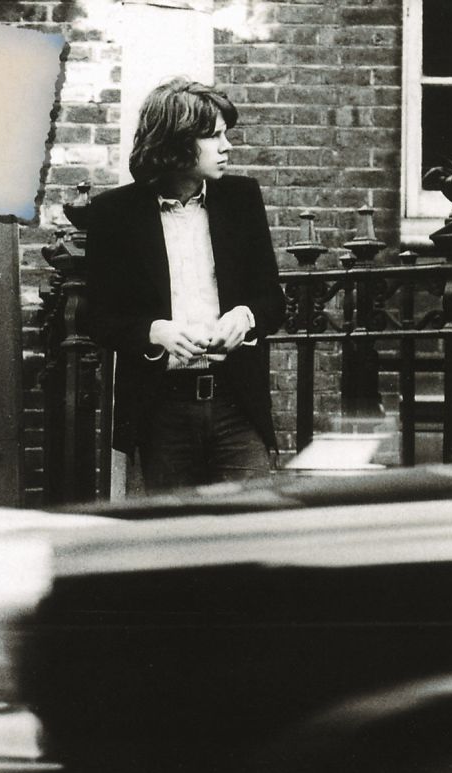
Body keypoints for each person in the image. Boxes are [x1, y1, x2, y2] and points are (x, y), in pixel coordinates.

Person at [87, 78, 285, 492]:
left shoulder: (241, 198)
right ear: (174, 143)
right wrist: (154, 331)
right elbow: (97, 317)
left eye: (225, 134)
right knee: (176, 530)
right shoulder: (115, 213)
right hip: (162, 412)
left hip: (236, 404)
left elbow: (272, 300)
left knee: (254, 522)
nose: (227, 146)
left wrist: (245, 317)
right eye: (213, 136)